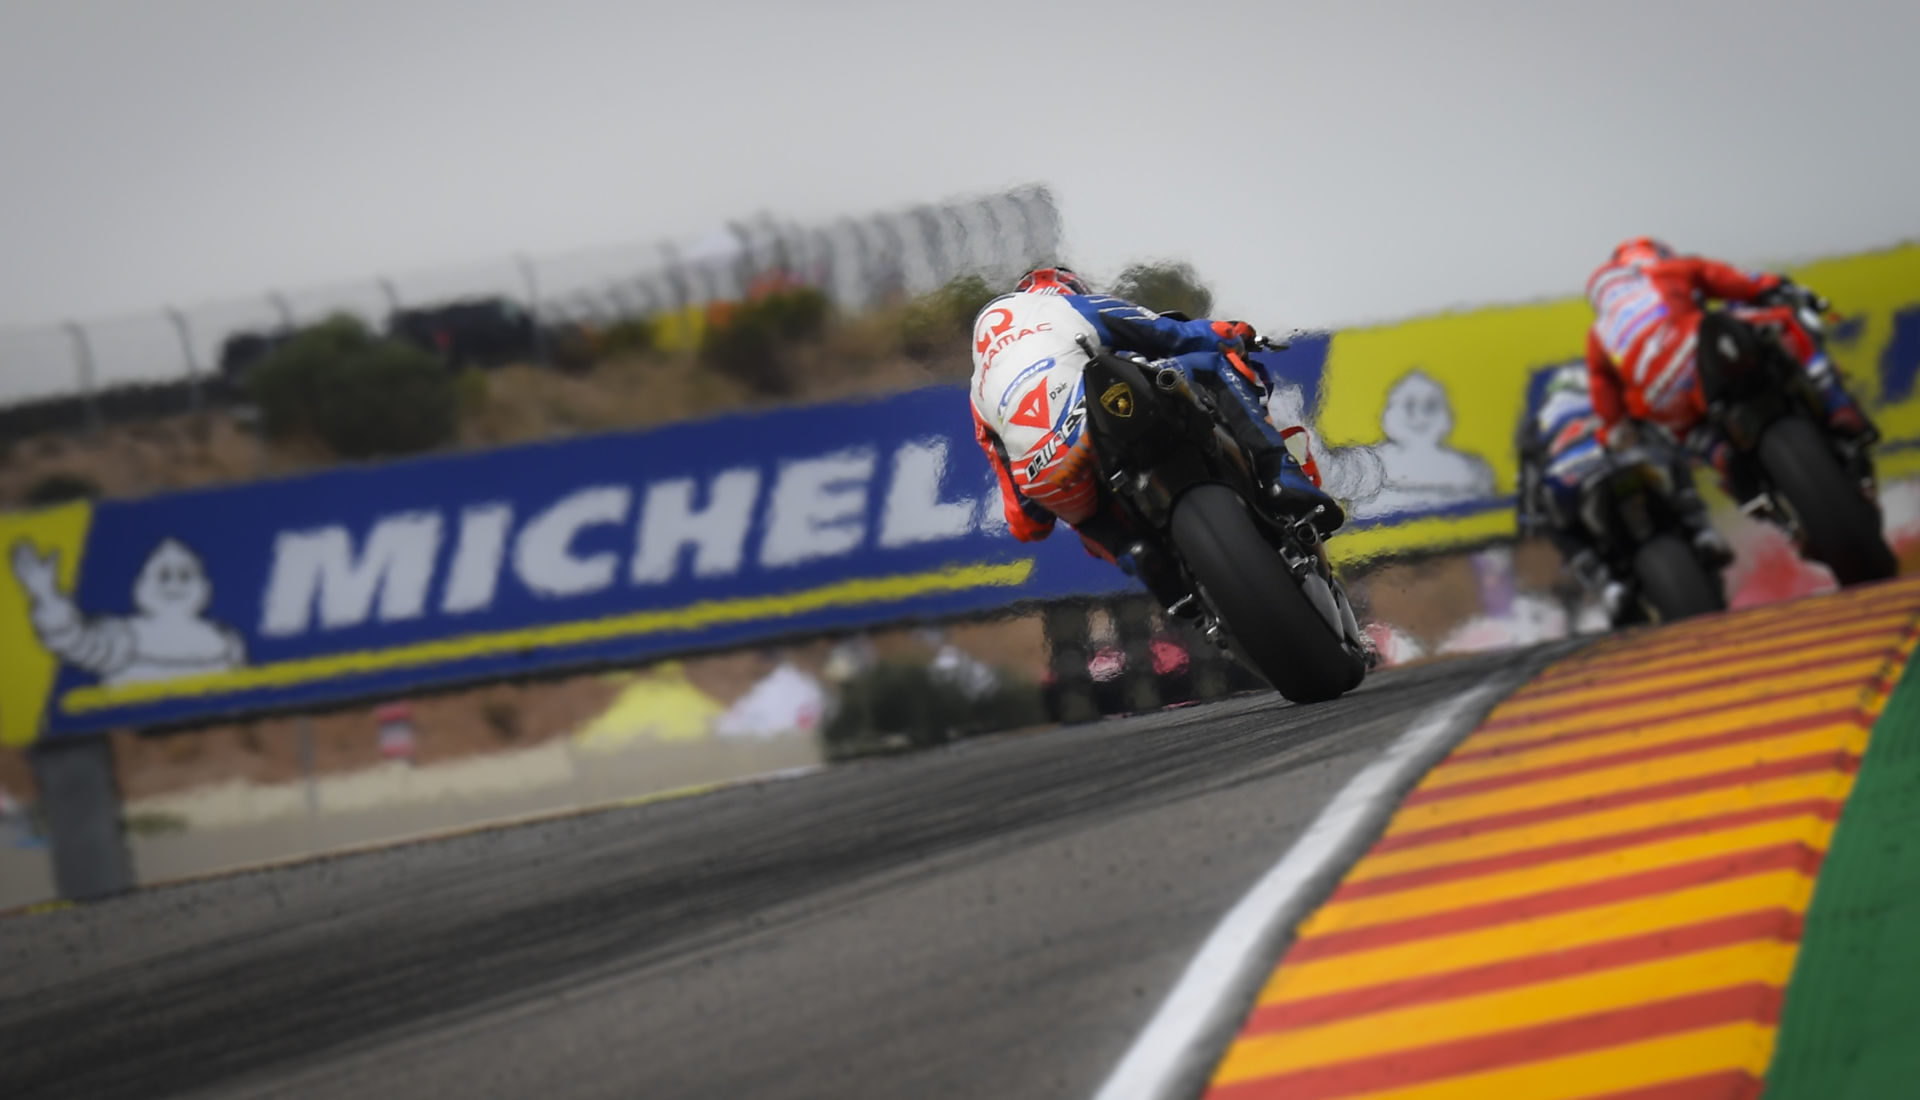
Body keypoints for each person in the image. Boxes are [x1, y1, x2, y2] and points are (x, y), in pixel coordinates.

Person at [968, 265, 1337, 609]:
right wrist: (1236, 333)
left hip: (1049, 470)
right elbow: (1175, 336)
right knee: (1209, 365)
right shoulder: (1073, 308)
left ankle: (1144, 560)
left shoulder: (978, 389)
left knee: (1084, 517)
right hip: (1111, 409)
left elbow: (1026, 523)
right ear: (1065, 290)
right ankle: (1280, 478)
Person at [1582, 237, 1872, 500]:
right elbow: (1732, 281)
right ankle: (1836, 403)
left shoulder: (1599, 332)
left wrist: (1614, 427)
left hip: (1661, 395)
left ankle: (1721, 458)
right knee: (1785, 320)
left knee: (1685, 431)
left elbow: (1601, 388)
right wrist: (1773, 286)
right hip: (1697, 346)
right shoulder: (1666, 270)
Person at [1517, 363, 1728, 623]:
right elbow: (1658, 430)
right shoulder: (1610, 391)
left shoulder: (1535, 425)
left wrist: (1529, 519)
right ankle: (1701, 529)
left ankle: (1603, 583)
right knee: (1673, 459)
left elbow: (1531, 488)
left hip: (1580, 478)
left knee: (1557, 526)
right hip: (1628, 457)